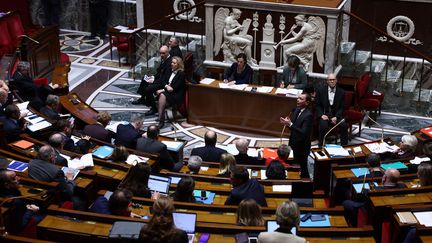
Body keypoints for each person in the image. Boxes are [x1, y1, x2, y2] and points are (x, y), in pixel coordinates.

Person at [280, 93, 313, 178]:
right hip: (293, 142)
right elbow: (294, 128)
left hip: (302, 146)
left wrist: (290, 124)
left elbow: (303, 132)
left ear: (307, 102)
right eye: (298, 98)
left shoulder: (308, 115)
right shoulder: (296, 110)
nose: (298, 100)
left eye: (301, 99)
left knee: (302, 167)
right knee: (293, 163)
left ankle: (305, 182)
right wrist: (287, 124)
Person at [132, 46, 172, 113]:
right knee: (144, 79)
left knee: (149, 89)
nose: (161, 55)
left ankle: (154, 108)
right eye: (160, 53)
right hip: (160, 80)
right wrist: (153, 77)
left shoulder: (169, 62)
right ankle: (142, 99)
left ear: (168, 53)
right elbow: (159, 72)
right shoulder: (165, 59)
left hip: (163, 83)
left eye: (163, 53)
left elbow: (165, 78)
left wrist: (154, 81)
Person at [315, 73, 348, 146]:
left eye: (333, 80)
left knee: (344, 125)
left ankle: (344, 146)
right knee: (323, 126)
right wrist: (321, 115)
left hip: (336, 115)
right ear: (327, 81)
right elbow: (317, 105)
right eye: (330, 80)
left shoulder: (341, 92)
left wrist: (336, 116)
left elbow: (342, 107)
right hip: (325, 115)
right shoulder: (321, 90)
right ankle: (320, 145)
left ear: (336, 81)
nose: (332, 81)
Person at [155, 56, 186, 128]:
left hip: (176, 95)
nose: (172, 64)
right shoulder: (169, 70)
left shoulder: (181, 74)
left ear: (178, 65)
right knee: (162, 96)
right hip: (168, 93)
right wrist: (166, 86)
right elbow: (163, 81)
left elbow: (174, 88)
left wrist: (163, 90)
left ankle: (161, 121)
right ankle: (161, 119)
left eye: (174, 63)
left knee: (162, 95)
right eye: (172, 62)